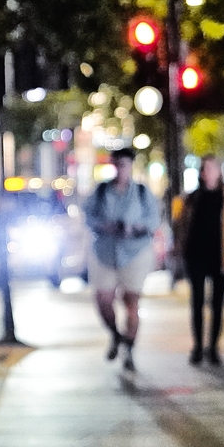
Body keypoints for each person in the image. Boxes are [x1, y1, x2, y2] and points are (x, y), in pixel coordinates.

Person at [84, 145, 160, 372]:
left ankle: (129, 348)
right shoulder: (101, 191)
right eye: (116, 164)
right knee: (103, 300)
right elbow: (88, 216)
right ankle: (116, 335)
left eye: (124, 165)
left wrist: (135, 228)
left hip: (135, 251)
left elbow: (153, 220)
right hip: (105, 251)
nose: (120, 169)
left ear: (131, 166)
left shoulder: (142, 192)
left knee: (131, 301)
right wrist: (104, 226)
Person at [173, 156, 224, 365]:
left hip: (220, 256)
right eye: (204, 169)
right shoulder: (191, 197)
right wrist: (181, 246)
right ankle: (198, 346)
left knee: (217, 303)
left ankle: (213, 348)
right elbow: (180, 224)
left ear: (218, 172)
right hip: (196, 255)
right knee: (197, 301)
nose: (207, 173)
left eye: (211, 169)